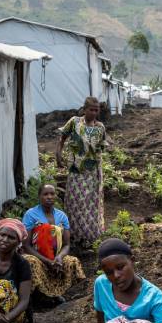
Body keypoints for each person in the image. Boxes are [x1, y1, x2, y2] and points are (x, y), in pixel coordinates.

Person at [55, 97, 107, 246]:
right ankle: (73, 235)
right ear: (84, 109)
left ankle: (89, 236)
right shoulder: (75, 122)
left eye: (97, 110)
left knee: (90, 203)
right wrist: (58, 155)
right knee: (75, 201)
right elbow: (62, 138)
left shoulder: (100, 127)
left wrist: (98, 173)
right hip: (76, 170)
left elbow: (100, 151)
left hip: (93, 172)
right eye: (91, 109)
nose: (94, 112)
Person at [21, 184, 86, 303]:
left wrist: (59, 257)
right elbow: (26, 245)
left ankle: (57, 293)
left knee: (72, 261)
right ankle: (38, 296)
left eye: (52, 194)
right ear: (39, 196)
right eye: (45, 194)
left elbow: (66, 244)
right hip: (37, 256)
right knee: (30, 261)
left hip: (56, 257)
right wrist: (47, 261)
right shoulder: (31, 214)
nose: (49, 197)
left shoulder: (62, 216)